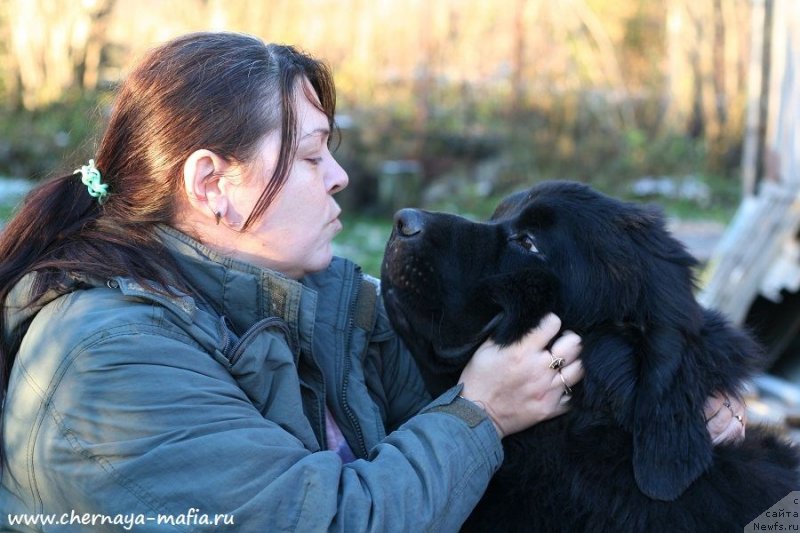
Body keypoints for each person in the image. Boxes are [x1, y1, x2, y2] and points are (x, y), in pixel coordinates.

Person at [0, 32, 744, 531]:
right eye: (313, 154)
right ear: (211, 184)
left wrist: (679, 411)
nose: (341, 178)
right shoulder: (103, 367)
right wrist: (479, 414)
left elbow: (536, 408)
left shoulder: (323, 309)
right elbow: (331, 519)